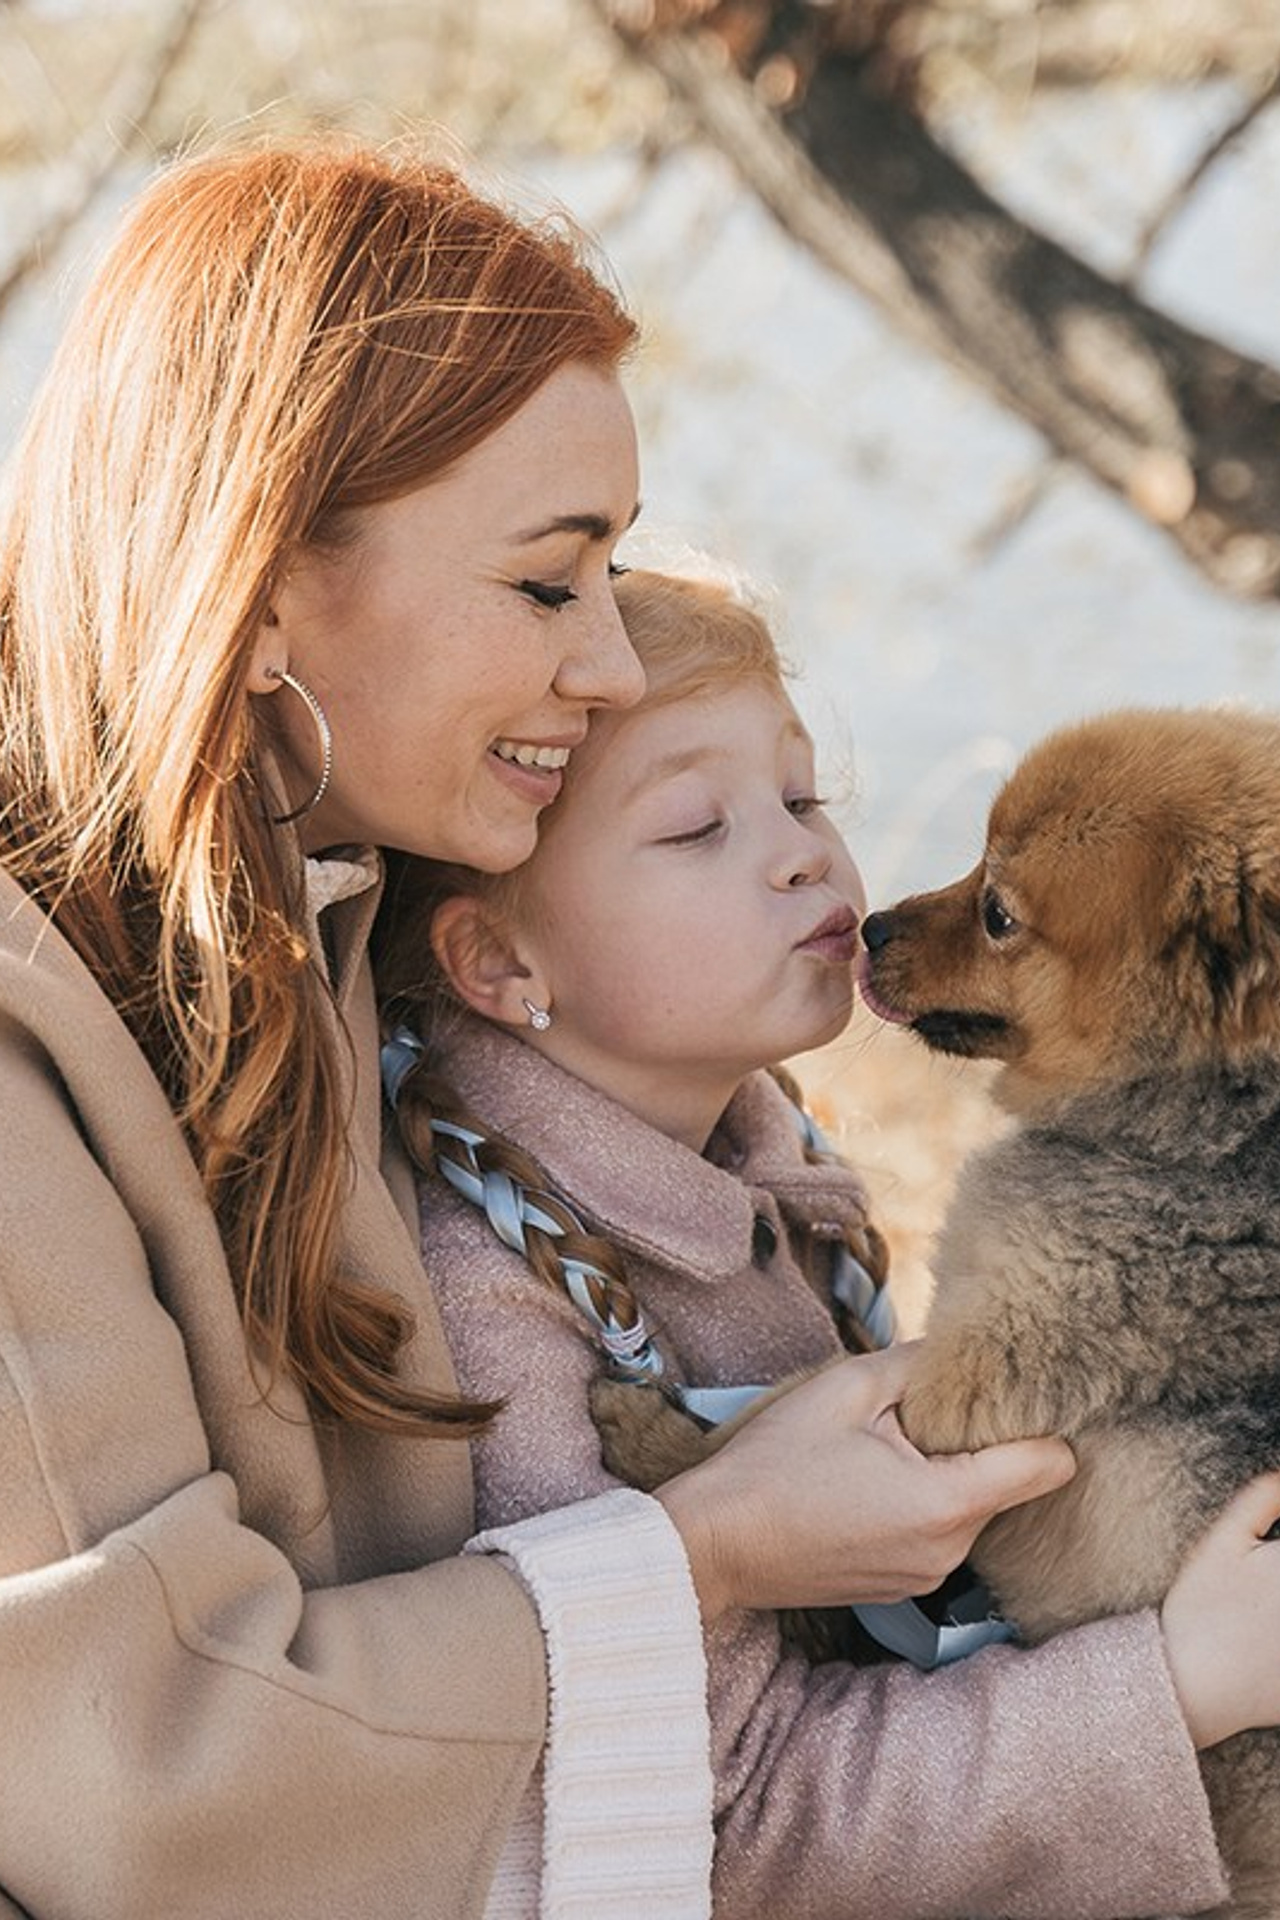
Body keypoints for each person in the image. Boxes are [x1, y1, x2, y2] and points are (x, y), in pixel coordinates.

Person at [0, 134, 1270, 1920]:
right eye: (546, 582)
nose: (601, 665)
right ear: (268, 579)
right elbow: (135, 1783)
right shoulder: (37, 1049)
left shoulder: (332, 937)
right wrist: (707, 1544)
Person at [372, 563, 1280, 1919]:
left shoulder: (777, 1182)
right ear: (503, 968)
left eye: (804, 800)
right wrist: (1180, 1687)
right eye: (696, 827)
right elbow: (729, 1820)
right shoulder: (490, 1311)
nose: (809, 854)